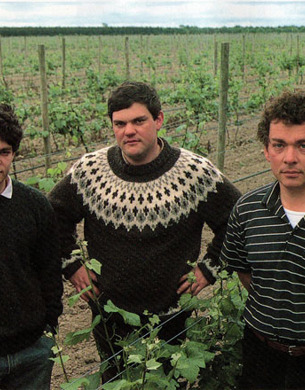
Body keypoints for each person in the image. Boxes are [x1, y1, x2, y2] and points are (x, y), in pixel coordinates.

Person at [48, 81, 241, 383]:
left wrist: (209, 268)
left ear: (159, 120)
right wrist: (72, 266)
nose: (129, 131)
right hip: (109, 317)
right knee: (115, 382)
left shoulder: (194, 173)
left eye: (139, 121)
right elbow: (53, 217)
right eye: (120, 123)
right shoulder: (89, 172)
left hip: (173, 317)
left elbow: (237, 220)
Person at [220, 90, 305, 390]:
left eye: (302, 145)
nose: (290, 158)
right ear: (266, 150)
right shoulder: (246, 210)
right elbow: (246, 274)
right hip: (261, 356)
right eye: (279, 145)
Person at [0, 103, 63, 390]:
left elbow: (50, 271)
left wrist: (48, 327)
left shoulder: (35, 206)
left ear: (14, 154)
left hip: (31, 352)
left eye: (4, 152)